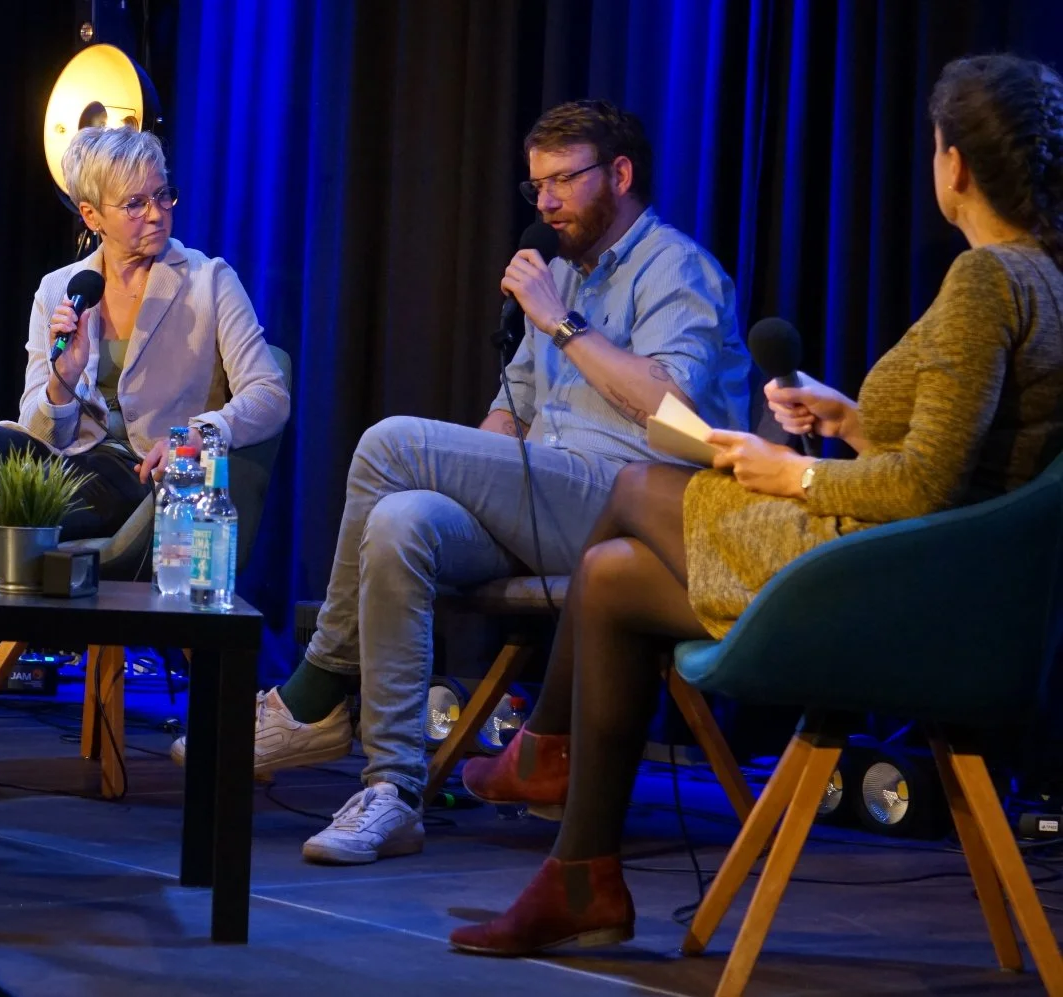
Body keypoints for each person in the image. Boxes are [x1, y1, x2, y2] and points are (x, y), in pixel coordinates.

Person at [451, 53, 1063, 957]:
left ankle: (548, 761)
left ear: (956, 164)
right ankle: (580, 875)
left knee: (633, 486)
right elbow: (967, 466)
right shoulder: (1042, 276)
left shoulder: (986, 281)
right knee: (610, 575)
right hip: (944, 587)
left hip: (898, 590)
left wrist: (795, 474)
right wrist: (850, 420)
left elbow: (926, 488)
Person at [171, 99, 752, 864]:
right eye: (536, 186)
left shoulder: (675, 268)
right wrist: (466, 484)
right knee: (402, 520)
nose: (545, 202)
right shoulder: (561, 275)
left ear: (620, 174)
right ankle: (392, 791)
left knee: (389, 442)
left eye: (563, 181)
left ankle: (317, 690)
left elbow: (670, 401)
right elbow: (509, 417)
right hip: (544, 500)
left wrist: (561, 323)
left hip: (634, 510)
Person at [0, 126, 290, 789]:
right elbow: (38, 426)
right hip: (68, 472)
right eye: (135, 203)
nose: (157, 213)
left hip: (147, 484)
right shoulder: (62, 290)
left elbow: (269, 393)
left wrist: (197, 432)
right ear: (92, 216)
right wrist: (64, 375)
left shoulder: (207, 280)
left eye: (163, 195)